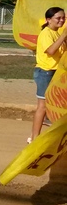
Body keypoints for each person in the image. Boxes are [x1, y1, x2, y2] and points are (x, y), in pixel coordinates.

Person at [30, 7, 67, 142]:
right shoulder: (46, 33)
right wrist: (64, 36)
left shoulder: (57, 33)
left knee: (52, 105)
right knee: (43, 106)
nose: (61, 20)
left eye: (63, 18)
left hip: (55, 73)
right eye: (58, 18)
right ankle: (34, 138)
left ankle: (49, 124)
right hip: (45, 73)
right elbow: (51, 51)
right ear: (48, 20)